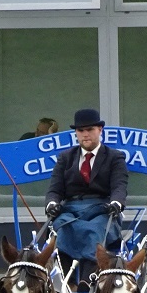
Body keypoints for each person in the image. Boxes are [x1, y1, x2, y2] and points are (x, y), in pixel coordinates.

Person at [45, 108, 128, 277]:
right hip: (70, 209)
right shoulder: (65, 157)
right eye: (80, 130)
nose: (85, 134)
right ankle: (66, 283)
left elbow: (119, 186)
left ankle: (87, 280)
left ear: (100, 130)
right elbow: (54, 189)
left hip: (102, 209)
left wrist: (116, 203)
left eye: (90, 129)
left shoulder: (114, 157)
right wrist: (52, 203)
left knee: (95, 231)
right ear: (76, 133)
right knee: (61, 228)